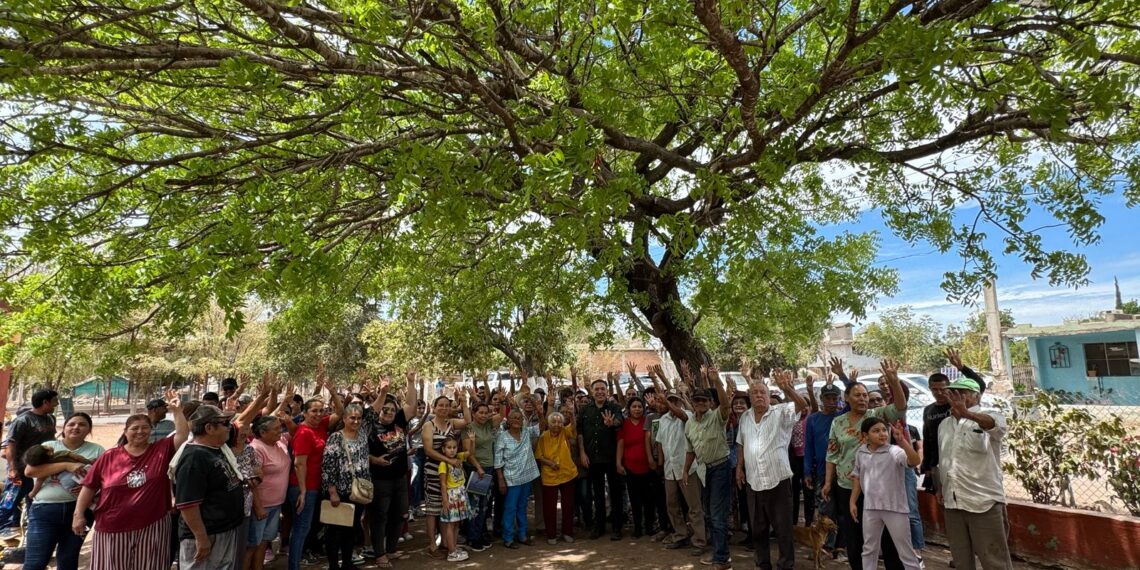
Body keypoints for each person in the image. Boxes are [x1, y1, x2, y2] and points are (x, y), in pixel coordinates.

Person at [73, 390, 189, 570]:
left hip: (153, 525)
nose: (140, 432)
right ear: (125, 432)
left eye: (145, 428)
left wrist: (177, 410)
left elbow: (182, 436)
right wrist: (78, 514)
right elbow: (89, 487)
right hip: (112, 526)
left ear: (151, 430)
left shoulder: (160, 450)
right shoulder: (109, 456)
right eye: (134, 428)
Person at [823, 360, 909, 570]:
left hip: (879, 487)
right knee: (854, 537)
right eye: (857, 395)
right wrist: (827, 482)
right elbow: (832, 454)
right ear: (847, 398)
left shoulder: (876, 415)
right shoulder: (838, 422)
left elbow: (900, 408)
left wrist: (894, 381)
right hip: (847, 486)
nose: (862, 399)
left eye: (864, 395)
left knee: (889, 537)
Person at [936, 378, 1012, 570]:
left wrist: (968, 414)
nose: (955, 397)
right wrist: (940, 487)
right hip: (952, 501)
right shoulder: (944, 424)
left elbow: (996, 427)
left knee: (994, 561)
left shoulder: (989, 416)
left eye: (962, 393)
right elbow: (944, 459)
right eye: (951, 393)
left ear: (976, 396)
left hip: (983, 502)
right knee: (961, 560)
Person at [735, 371, 808, 570]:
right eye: (755, 393)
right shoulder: (745, 418)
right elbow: (741, 443)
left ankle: (785, 565)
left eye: (762, 392)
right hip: (754, 481)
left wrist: (787, 388)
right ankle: (763, 563)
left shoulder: (781, 412)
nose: (758, 395)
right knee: (758, 529)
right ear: (749, 397)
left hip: (778, 480)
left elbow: (803, 406)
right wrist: (739, 468)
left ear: (768, 396)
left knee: (783, 530)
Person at [22, 412, 104, 570]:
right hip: (45, 511)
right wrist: (67, 465)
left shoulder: (97, 450)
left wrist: (93, 488)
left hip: (80, 512)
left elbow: (105, 478)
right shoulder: (49, 446)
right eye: (71, 424)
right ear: (64, 428)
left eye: (82, 424)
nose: (76, 427)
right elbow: (30, 471)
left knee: (68, 561)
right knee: (35, 562)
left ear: (89, 430)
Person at [175, 405, 246, 570]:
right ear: (209, 428)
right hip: (207, 534)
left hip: (223, 530)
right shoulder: (194, 458)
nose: (229, 427)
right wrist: (201, 537)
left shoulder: (216, 449)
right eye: (224, 423)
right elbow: (188, 504)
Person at [285, 376, 344, 570]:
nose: (319, 414)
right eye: (314, 411)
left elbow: (340, 412)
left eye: (321, 410)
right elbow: (299, 464)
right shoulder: (303, 433)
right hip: (303, 487)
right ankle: (294, 565)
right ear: (304, 413)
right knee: (301, 528)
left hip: (315, 485)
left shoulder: (321, 426)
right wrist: (302, 492)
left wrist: (334, 393)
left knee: (307, 527)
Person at [849, 417, 923, 570]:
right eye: (876, 431)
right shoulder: (861, 452)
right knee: (869, 549)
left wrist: (902, 441)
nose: (882, 434)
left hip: (895, 508)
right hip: (871, 507)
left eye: (884, 430)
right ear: (865, 435)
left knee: (905, 551)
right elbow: (857, 477)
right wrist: (852, 501)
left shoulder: (894, 451)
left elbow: (915, 461)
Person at [363, 377, 417, 566]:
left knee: (400, 514)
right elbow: (362, 452)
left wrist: (411, 381)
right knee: (379, 517)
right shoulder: (370, 426)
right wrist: (375, 460)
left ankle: (392, 549)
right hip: (380, 480)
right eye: (385, 409)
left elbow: (411, 405)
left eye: (393, 410)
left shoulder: (399, 422)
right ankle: (380, 554)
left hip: (400, 479)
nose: (389, 412)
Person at [683, 368, 733, 570]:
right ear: (693, 403)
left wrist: (717, 381)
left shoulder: (716, 417)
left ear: (710, 403)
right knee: (711, 514)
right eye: (697, 401)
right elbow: (690, 450)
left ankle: (721, 559)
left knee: (717, 514)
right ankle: (720, 554)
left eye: (705, 401)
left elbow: (726, 405)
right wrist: (686, 470)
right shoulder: (689, 424)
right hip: (704, 470)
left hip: (721, 467)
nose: (701, 404)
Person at [653, 383, 706, 552]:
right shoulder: (663, 420)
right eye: (670, 400)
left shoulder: (689, 415)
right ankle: (680, 534)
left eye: (676, 400)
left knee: (694, 507)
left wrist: (667, 404)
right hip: (670, 469)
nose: (673, 403)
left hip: (687, 468)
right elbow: (660, 444)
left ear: (681, 402)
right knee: (672, 504)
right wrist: (660, 465)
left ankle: (699, 540)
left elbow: (682, 415)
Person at [0, 388, 59, 538]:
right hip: (20, 469)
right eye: (54, 401)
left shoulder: (50, 419)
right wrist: (12, 469)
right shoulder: (23, 420)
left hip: (41, 470)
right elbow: (10, 445)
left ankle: (31, 537)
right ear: (45, 402)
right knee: (9, 503)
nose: (56, 404)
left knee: (35, 503)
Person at [321, 403, 370, 570]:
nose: (356, 421)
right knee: (335, 531)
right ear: (344, 419)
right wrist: (332, 491)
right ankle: (334, 565)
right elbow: (328, 467)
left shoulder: (362, 434)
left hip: (358, 493)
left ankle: (348, 563)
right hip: (339, 493)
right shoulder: (336, 437)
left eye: (359, 418)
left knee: (351, 529)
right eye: (352, 418)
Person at [421, 392, 470, 558]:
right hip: (433, 471)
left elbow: (468, 421)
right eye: (440, 405)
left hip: (450, 473)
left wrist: (464, 402)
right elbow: (428, 450)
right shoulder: (429, 425)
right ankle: (432, 544)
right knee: (432, 509)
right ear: (434, 407)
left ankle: (445, 542)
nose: (443, 408)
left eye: (446, 405)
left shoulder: (451, 423)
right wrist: (449, 461)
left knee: (445, 507)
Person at [576, 377, 625, 540]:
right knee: (597, 494)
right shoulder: (585, 410)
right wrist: (582, 453)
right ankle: (600, 526)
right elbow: (580, 432)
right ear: (592, 391)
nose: (599, 392)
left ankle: (617, 527)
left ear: (607, 391)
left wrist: (612, 423)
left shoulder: (613, 407)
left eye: (602, 389)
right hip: (593, 458)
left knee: (615, 493)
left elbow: (620, 420)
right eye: (596, 389)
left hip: (611, 458)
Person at [804, 380, 844, 558]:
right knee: (825, 509)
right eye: (827, 397)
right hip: (821, 471)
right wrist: (806, 471)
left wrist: (843, 376)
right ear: (821, 399)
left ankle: (841, 546)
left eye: (834, 397)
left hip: (844, 471)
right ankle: (825, 546)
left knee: (844, 509)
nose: (831, 401)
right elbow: (808, 447)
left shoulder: (844, 415)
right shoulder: (813, 419)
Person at [248, 415, 290, 570]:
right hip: (261, 505)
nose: (280, 431)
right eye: (276, 429)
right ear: (263, 432)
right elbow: (252, 482)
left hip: (276, 503)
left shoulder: (280, 443)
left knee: (264, 541)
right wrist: (258, 506)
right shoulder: (256, 448)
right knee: (253, 544)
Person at [494, 408, 541, 548]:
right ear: (508, 421)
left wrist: (538, 410)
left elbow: (542, 426)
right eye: (513, 418)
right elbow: (498, 460)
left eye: (519, 418)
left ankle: (522, 535)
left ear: (522, 421)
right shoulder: (502, 437)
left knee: (522, 507)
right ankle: (508, 537)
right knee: (510, 508)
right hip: (511, 478)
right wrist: (501, 480)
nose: (516, 420)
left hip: (526, 477)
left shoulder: (526, 432)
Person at [463, 396, 499, 552]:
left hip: (489, 468)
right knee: (475, 505)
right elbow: (468, 454)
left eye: (486, 412)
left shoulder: (488, 425)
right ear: (473, 413)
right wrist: (478, 468)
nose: (483, 415)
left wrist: (503, 402)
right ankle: (472, 537)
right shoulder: (468, 428)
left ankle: (480, 533)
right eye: (480, 412)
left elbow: (502, 415)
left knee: (485, 505)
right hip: (476, 470)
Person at [535, 410, 577, 544]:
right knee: (549, 507)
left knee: (568, 505)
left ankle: (567, 532)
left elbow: (574, 428)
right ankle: (551, 535)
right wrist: (550, 463)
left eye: (560, 422)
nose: (557, 424)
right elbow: (538, 456)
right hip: (549, 475)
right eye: (554, 422)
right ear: (548, 423)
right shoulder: (543, 436)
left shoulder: (564, 432)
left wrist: (572, 414)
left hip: (567, 473)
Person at [438, 436, 471, 562]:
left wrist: (471, 440)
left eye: (454, 447)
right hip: (451, 496)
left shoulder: (459, 458)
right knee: (450, 524)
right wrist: (445, 501)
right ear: (443, 449)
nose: (452, 450)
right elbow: (443, 484)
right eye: (449, 448)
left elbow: (469, 453)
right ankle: (451, 552)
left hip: (461, 494)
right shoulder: (443, 464)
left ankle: (454, 548)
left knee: (457, 524)